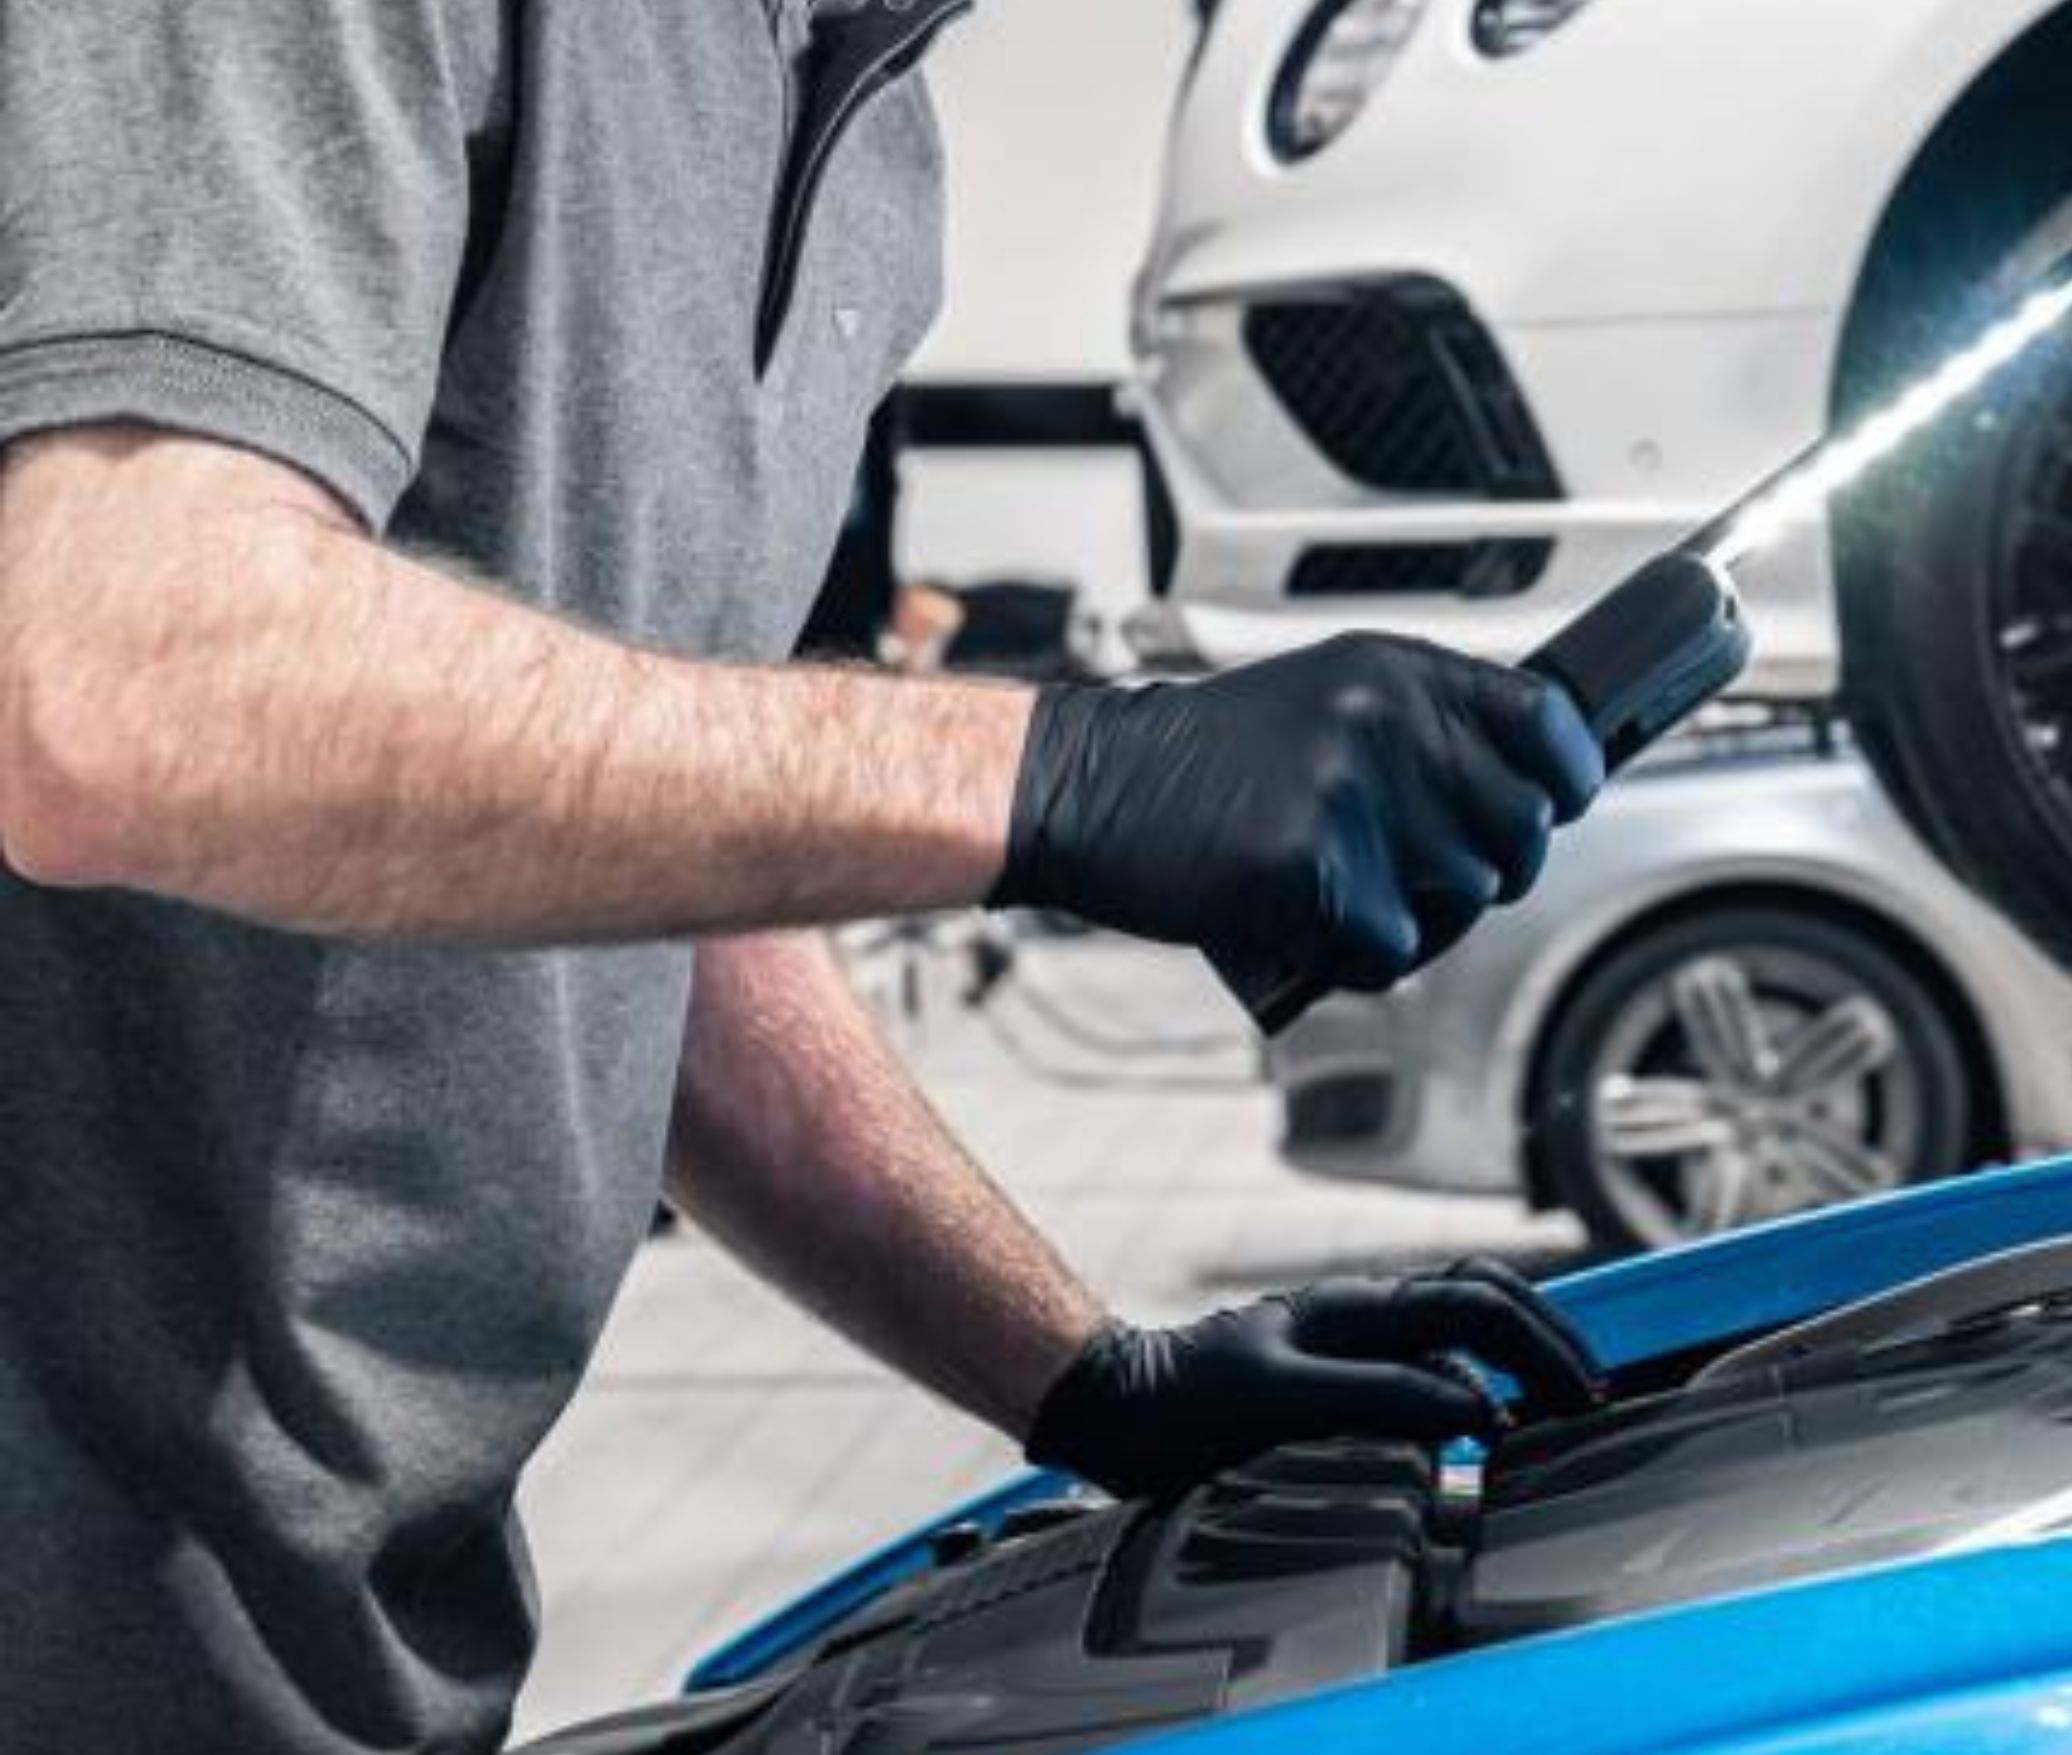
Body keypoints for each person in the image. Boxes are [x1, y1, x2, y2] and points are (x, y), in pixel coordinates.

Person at [0, 5, 1610, 1751]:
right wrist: (1044, 770)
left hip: (329, 1637)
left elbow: (631, 862)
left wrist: (1078, 1370)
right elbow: (118, 691)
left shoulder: (861, 140)